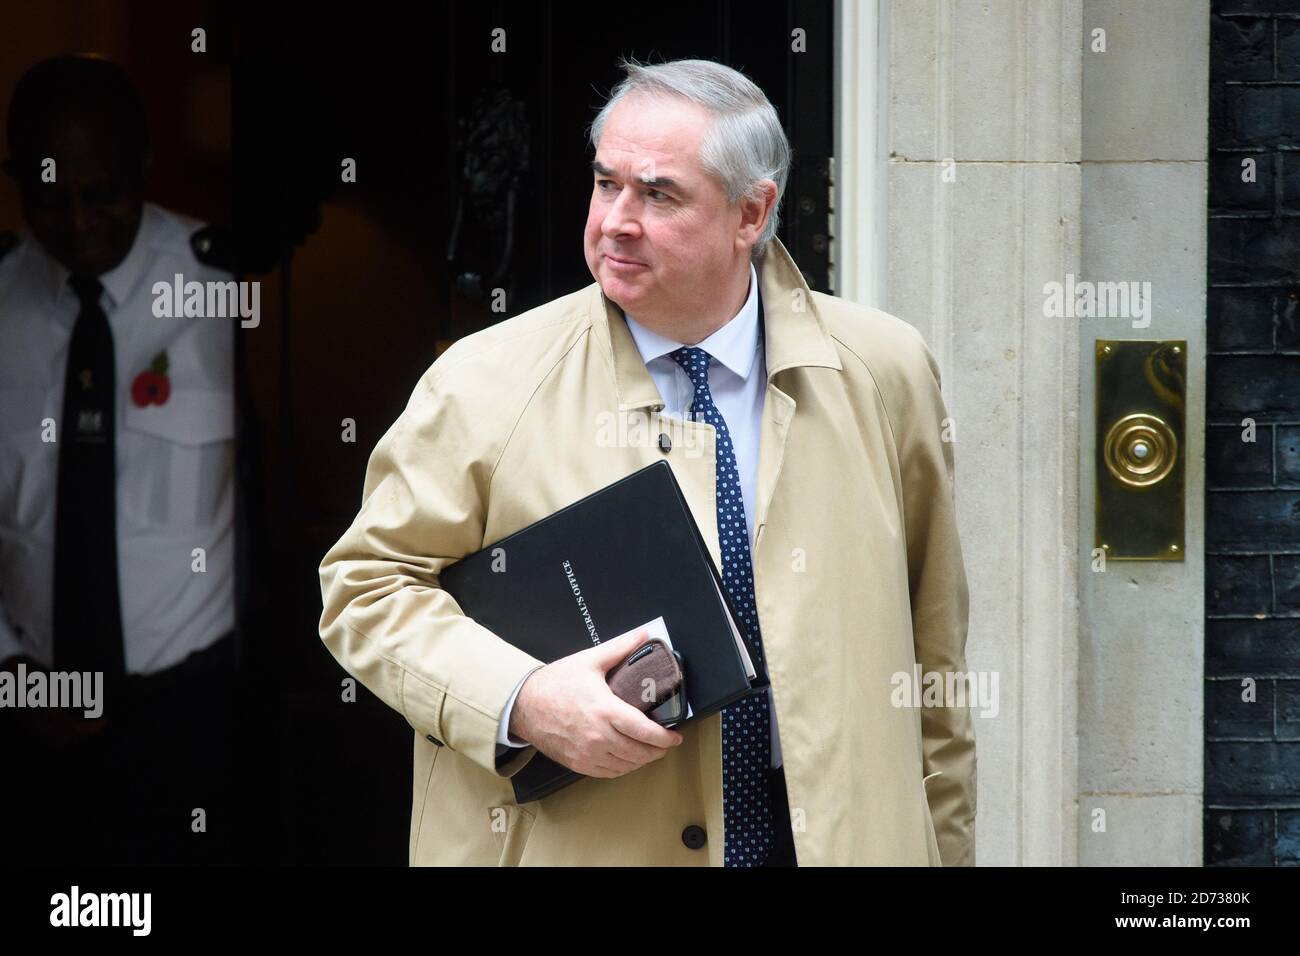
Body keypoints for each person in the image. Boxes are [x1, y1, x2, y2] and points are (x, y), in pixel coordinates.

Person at [318, 57, 975, 866]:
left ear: (751, 213)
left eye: (659, 194)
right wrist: (521, 700)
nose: (616, 220)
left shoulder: (885, 369)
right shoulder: (485, 381)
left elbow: (935, 660)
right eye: (606, 184)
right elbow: (366, 589)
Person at [0, 55, 239, 866]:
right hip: (24, 700)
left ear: (140, 170)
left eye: (98, 194)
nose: (74, 223)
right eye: (46, 198)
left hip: (191, 706)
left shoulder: (221, 284)